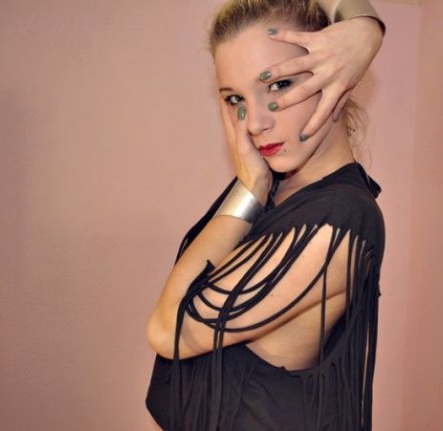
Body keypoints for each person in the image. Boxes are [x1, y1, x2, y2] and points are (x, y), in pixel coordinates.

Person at [146, 0, 386, 430]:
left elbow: (168, 331)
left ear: (339, 75)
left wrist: (366, 28)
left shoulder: (339, 220)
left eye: (278, 85)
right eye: (235, 99)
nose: (255, 123)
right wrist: (365, 21)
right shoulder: (276, 186)